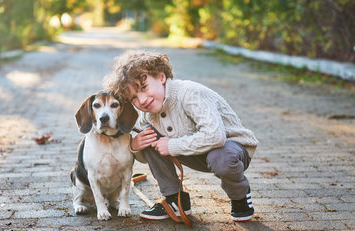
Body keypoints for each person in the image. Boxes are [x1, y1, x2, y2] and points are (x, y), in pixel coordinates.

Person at [104, 50, 258, 222]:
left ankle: (240, 196)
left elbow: (216, 136)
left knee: (220, 157)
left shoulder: (189, 93)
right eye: (133, 98)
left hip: (230, 150)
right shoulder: (148, 114)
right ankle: (175, 199)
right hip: (196, 153)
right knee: (146, 135)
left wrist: (172, 146)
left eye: (144, 88)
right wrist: (134, 146)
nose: (142, 100)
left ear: (161, 77)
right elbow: (144, 155)